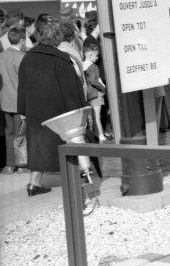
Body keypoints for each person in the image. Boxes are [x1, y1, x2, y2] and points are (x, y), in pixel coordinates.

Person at [17, 21, 86, 196]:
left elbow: (22, 87)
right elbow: (71, 92)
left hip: (34, 111)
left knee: (38, 147)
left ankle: (34, 183)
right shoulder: (61, 60)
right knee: (66, 144)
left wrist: (22, 110)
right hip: (58, 113)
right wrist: (79, 113)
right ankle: (75, 179)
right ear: (58, 38)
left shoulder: (28, 57)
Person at [0, 28, 27, 174]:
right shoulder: (22, 57)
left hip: (4, 102)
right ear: (22, 40)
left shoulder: (1, 56)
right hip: (19, 102)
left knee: (8, 134)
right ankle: (21, 165)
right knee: (21, 134)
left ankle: (9, 165)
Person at [82, 43, 108, 142]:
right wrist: (103, 89)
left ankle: (94, 134)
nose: (97, 58)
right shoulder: (93, 66)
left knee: (91, 117)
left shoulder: (82, 65)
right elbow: (94, 81)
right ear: (90, 55)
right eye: (96, 55)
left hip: (87, 94)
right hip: (96, 94)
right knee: (97, 116)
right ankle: (101, 135)